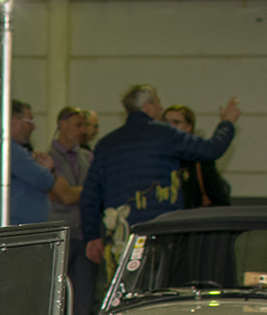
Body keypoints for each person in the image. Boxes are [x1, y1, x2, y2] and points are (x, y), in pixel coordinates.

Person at [82, 84, 240, 272]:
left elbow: (90, 195)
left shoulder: (105, 145)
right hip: (162, 233)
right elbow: (212, 149)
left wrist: (92, 236)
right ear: (148, 106)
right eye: (158, 103)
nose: (161, 109)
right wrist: (227, 123)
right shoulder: (165, 134)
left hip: (121, 237)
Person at [48, 106, 96, 315]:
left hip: (84, 235)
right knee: (54, 303)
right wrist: (90, 191)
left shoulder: (88, 157)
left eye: (85, 126)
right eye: (78, 125)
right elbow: (64, 196)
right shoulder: (47, 158)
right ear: (62, 124)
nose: (82, 130)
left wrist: (76, 192)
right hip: (60, 234)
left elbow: (71, 192)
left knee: (83, 305)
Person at [0, 100, 56, 227]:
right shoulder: (9, 150)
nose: (33, 127)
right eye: (29, 121)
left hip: (17, 229)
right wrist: (48, 169)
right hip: (13, 230)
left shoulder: (11, 149)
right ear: (14, 122)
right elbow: (44, 180)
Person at [163, 104, 231, 209]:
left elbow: (219, 200)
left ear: (189, 126)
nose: (171, 126)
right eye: (166, 123)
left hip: (191, 220)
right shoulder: (159, 158)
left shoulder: (200, 160)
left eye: (176, 122)